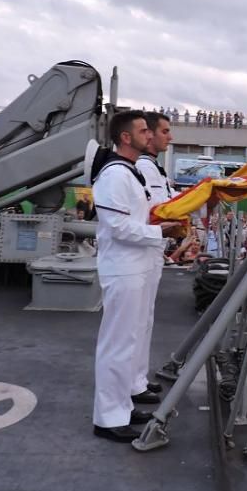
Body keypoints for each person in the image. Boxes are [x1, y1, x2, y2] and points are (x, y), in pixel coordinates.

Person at [90, 110, 176, 443]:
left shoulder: (128, 172)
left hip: (135, 265)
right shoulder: (114, 175)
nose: (149, 135)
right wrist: (160, 232)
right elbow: (118, 228)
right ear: (126, 137)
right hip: (123, 267)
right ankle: (108, 417)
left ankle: (122, 405)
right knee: (117, 343)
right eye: (143, 131)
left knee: (129, 340)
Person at [133, 111, 175, 404]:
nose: (168, 137)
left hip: (153, 252)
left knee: (144, 321)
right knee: (134, 324)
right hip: (142, 253)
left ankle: (137, 380)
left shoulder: (154, 170)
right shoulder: (142, 169)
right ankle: (130, 386)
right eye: (164, 131)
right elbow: (153, 213)